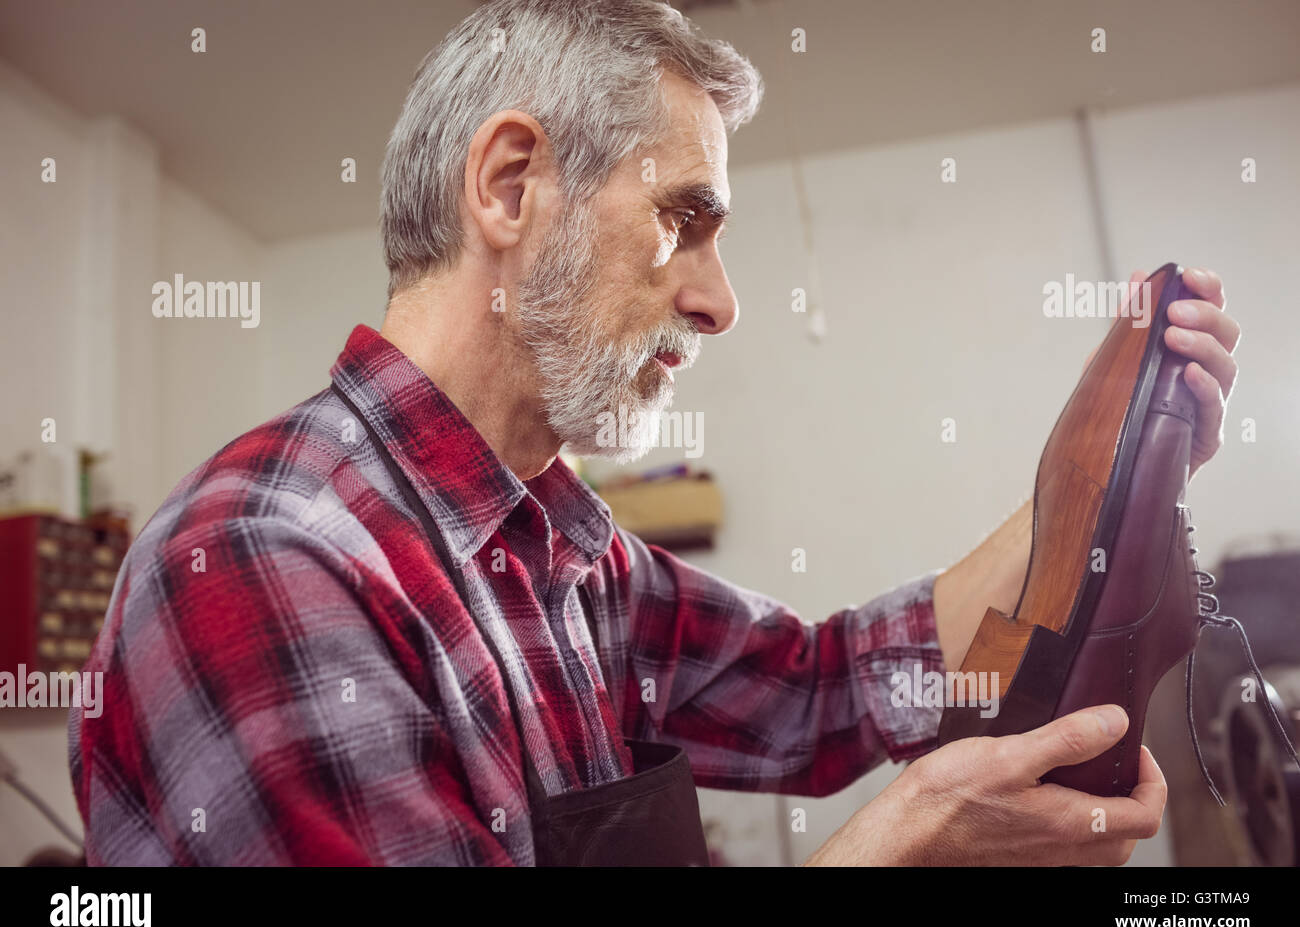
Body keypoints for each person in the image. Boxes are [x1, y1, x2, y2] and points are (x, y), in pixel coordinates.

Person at [68, 0, 1242, 866]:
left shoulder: (572, 558)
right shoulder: (262, 554)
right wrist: (907, 844)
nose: (721, 301)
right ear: (513, 184)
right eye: (684, 218)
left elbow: (821, 690)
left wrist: (1088, 494)